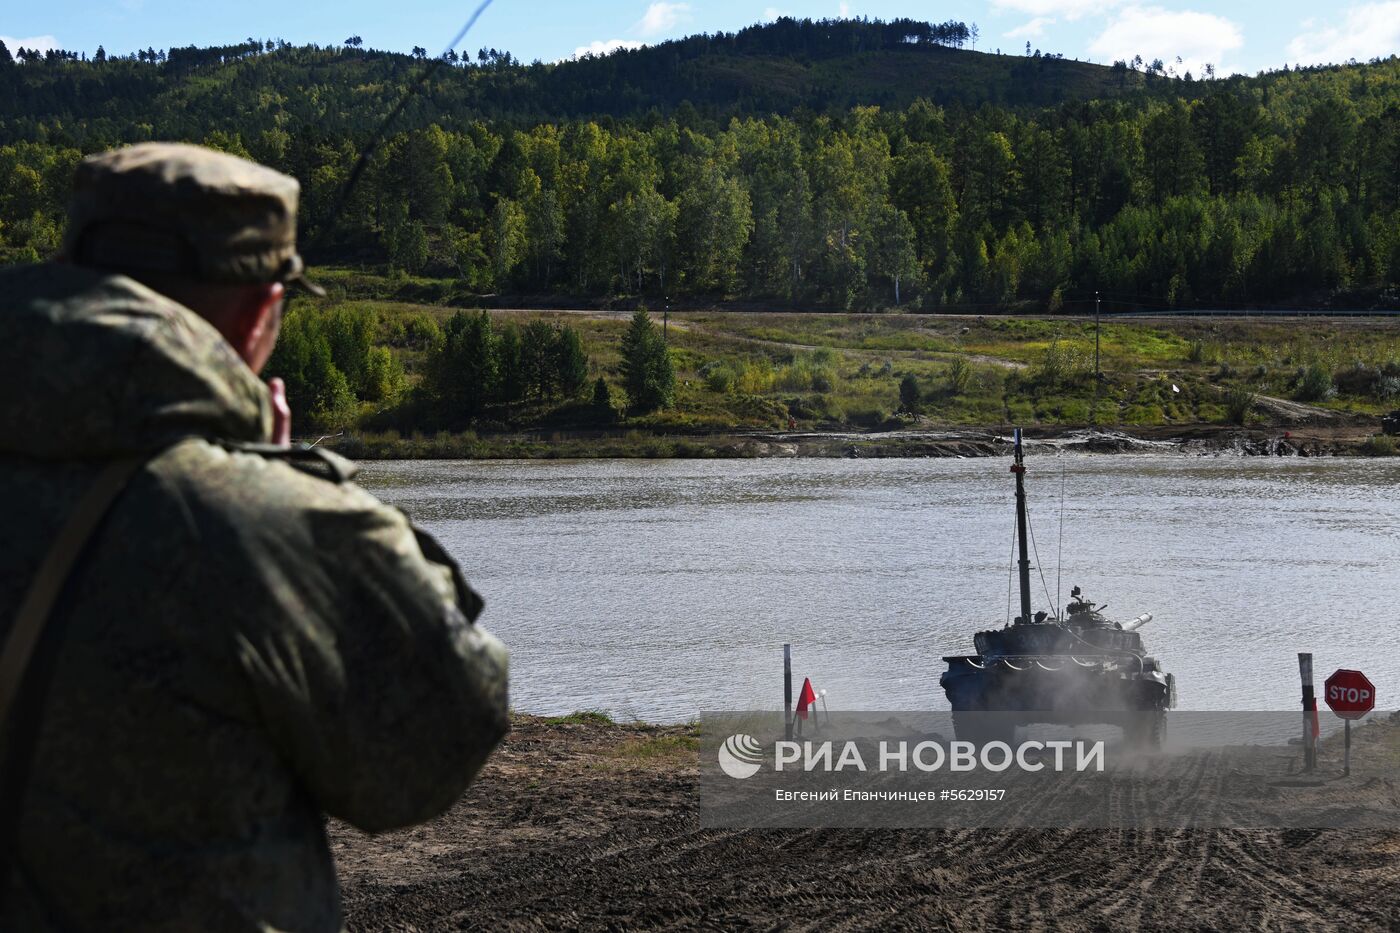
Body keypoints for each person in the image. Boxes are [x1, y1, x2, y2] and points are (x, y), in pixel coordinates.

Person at [0, 143, 509, 932]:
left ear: (67, 266)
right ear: (266, 308)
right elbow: (431, 748)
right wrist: (289, 481)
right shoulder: (254, 520)